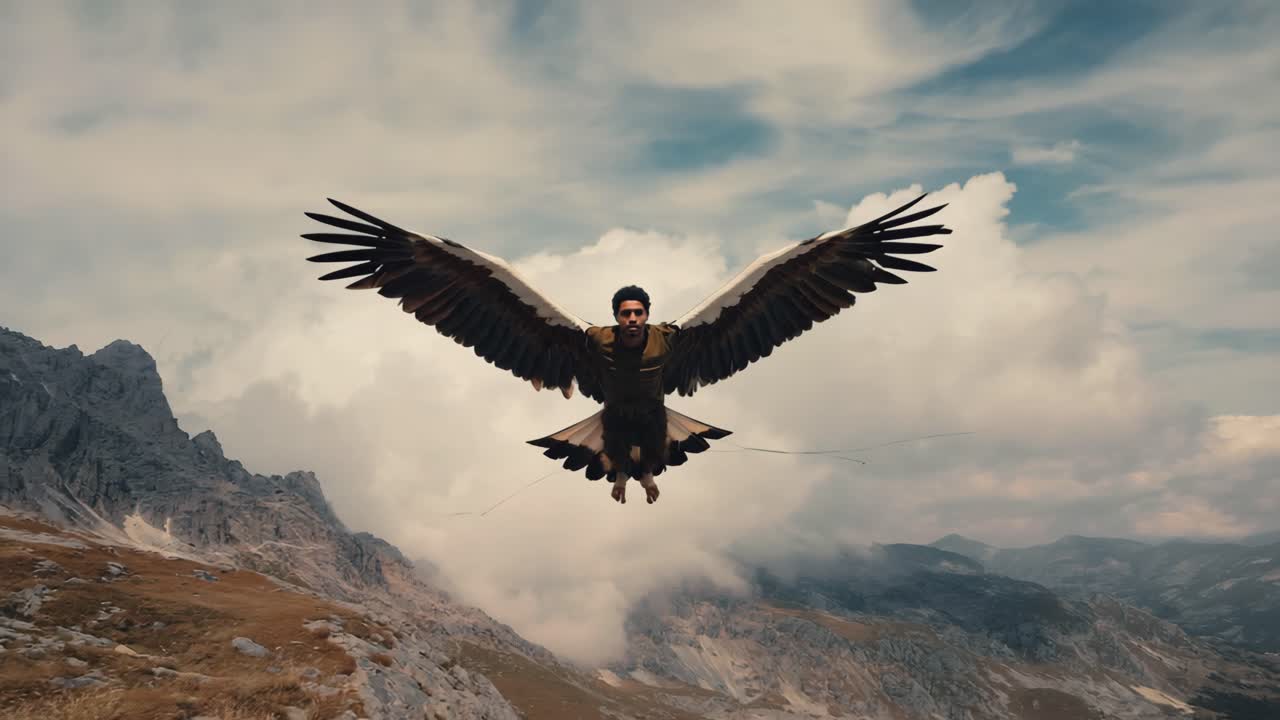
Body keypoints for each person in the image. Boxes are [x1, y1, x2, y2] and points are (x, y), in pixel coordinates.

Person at [586, 285, 674, 504]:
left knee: (649, 419)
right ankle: (622, 474)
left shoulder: (669, 339)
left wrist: (649, 477)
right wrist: (620, 480)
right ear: (616, 317)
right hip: (615, 417)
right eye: (626, 314)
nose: (632, 319)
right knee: (619, 419)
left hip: (653, 416)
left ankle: (646, 473)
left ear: (647, 316)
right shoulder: (594, 340)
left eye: (638, 313)